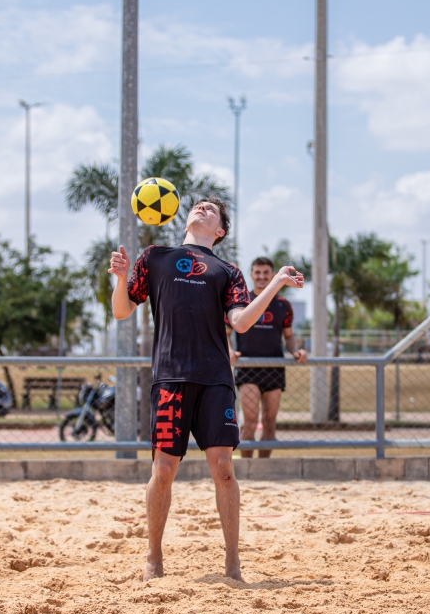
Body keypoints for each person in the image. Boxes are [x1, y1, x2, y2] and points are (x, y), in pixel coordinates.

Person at [109, 197, 304, 582]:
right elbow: (121, 310)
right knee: (163, 470)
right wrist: (120, 277)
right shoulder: (155, 257)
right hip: (171, 377)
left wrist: (277, 281)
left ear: (220, 230)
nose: (201, 208)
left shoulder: (227, 271)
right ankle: (153, 557)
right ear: (185, 220)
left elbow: (241, 322)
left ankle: (232, 562)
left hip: (215, 378)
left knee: (224, 469)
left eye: (210, 209)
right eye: (197, 205)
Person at [229, 257, 308, 458]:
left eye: (266, 273)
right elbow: (225, 333)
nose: (261, 276)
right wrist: (229, 350)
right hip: (248, 369)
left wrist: (296, 351)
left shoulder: (283, 305)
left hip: (274, 368)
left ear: (273, 275)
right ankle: (248, 468)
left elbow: (288, 337)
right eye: (257, 272)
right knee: (250, 422)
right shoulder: (241, 301)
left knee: (270, 422)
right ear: (251, 275)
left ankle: (263, 467)